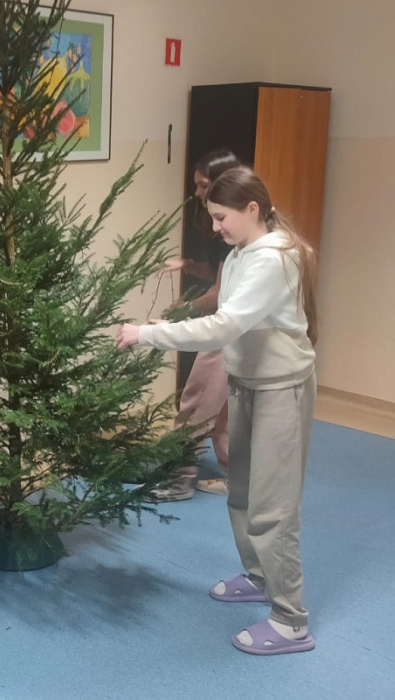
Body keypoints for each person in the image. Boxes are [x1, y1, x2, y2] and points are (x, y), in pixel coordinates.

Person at [116, 166, 318, 656]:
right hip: (247, 385)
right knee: (243, 495)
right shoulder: (242, 252)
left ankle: (291, 620)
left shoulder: (273, 259)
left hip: (280, 391)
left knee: (273, 509)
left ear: (253, 209)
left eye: (222, 216)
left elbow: (223, 327)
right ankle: (257, 576)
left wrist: (146, 333)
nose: (216, 227)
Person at [148, 149, 241, 501]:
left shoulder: (235, 232)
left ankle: (178, 480)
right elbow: (216, 277)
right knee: (225, 413)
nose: (199, 193)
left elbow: (218, 295)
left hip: (228, 331)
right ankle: (240, 478)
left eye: (203, 186)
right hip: (237, 328)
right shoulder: (224, 231)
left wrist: (178, 313)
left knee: (197, 403)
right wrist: (185, 264)